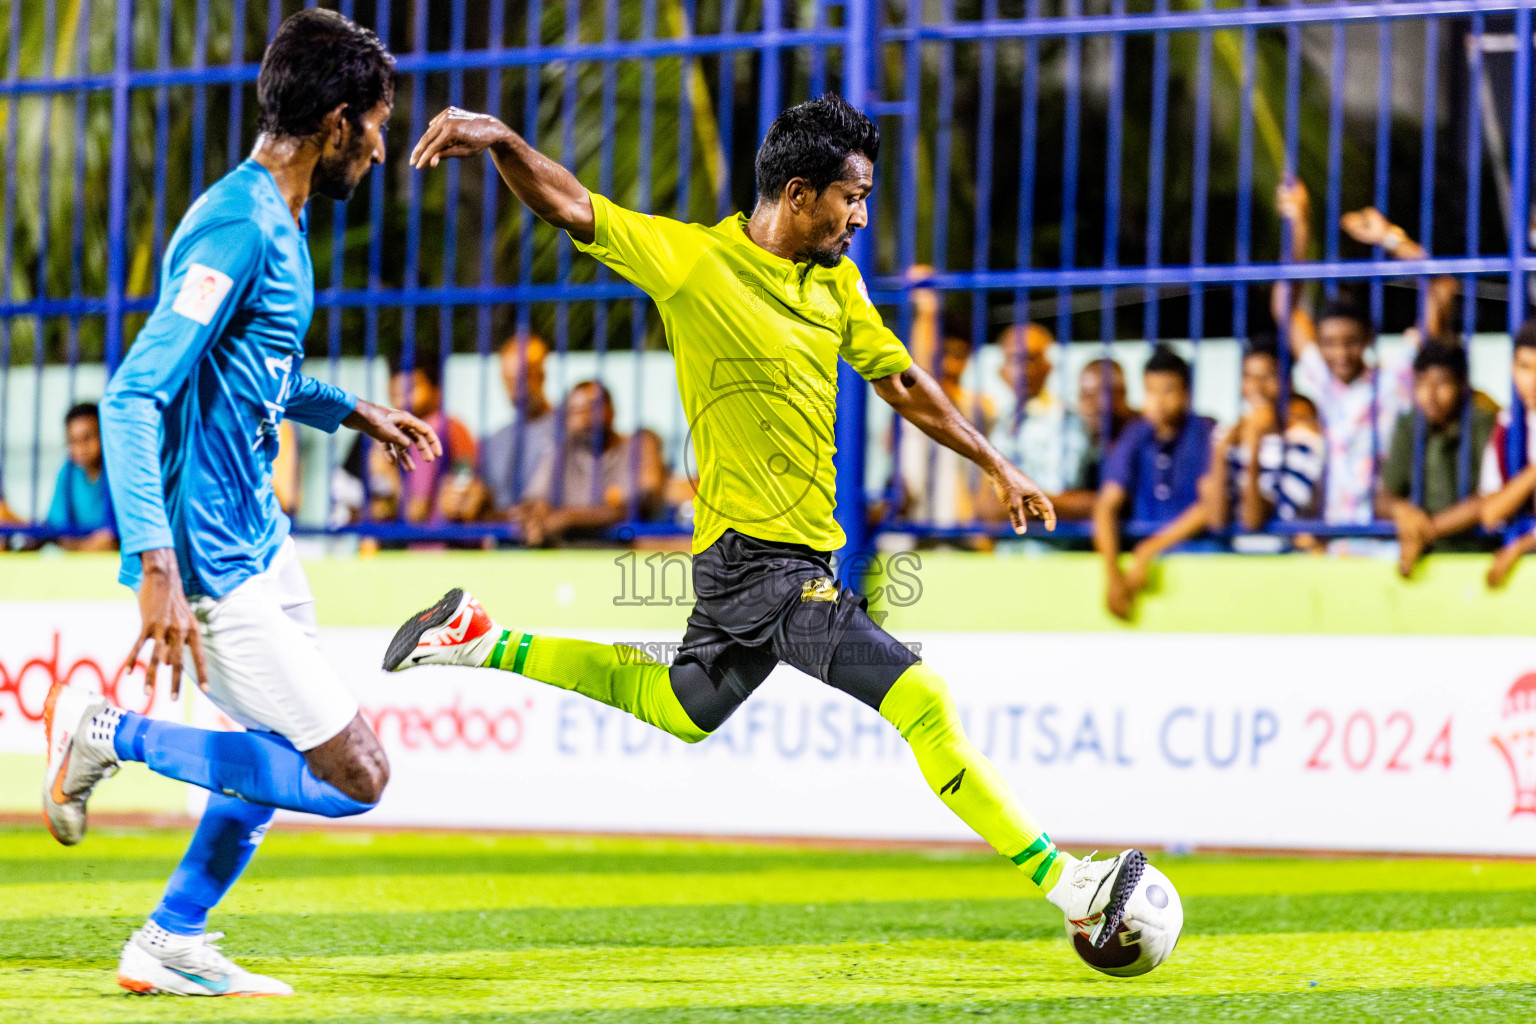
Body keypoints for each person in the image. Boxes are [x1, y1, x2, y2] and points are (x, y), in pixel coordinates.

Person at [390, 94, 1151, 949]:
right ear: (798, 193)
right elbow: (571, 203)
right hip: (760, 563)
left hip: (771, 560)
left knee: (681, 706)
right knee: (922, 698)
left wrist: (995, 462)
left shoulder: (838, 282)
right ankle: (1070, 884)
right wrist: (502, 139)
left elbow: (897, 380)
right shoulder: (691, 261)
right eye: (852, 197)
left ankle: (477, 637)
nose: (862, 217)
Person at [39, 10, 440, 997]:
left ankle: (171, 938)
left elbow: (256, 371)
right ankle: (103, 731)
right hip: (206, 556)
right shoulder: (237, 222)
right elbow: (136, 394)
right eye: (381, 124)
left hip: (258, 540)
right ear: (340, 120)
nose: (384, 147)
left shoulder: (284, 219)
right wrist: (158, 565)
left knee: (270, 750)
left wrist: (352, 410)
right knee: (357, 776)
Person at [1274, 185, 1418, 530]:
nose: (1340, 353)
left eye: (1350, 342)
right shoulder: (1319, 378)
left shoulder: (1393, 377)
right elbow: (1285, 306)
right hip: (1330, 537)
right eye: (1330, 343)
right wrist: (1300, 228)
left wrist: (1390, 238)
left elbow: (1439, 292)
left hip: (1385, 534)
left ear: (1368, 338)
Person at [1093, 346, 1216, 621]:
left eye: (1169, 390)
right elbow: (1106, 506)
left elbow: (1210, 507)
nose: (1158, 401)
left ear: (1187, 392)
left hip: (1201, 561)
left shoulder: (1206, 433)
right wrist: (1113, 576)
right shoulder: (1135, 435)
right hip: (1142, 571)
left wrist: (1150, 549)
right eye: (1150, 390)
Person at [1378, 342, 1496, 578]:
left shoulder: (1485, 425)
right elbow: (1383, 496)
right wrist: (1402, 511)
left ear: (1462, 384)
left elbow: (1489, 500)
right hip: (1427, 558)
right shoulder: (1409, 425)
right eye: (1421, 383)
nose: (1430, 394)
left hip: (1479, 555)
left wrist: (1425, 531)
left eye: (1442, 383)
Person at [513, 379, 666, 546]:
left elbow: (641, 503)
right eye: (576, 411)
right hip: (569, 553)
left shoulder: (640, 445)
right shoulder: (562, 451)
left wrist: (568, 519)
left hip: (628, 551)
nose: (584, 418)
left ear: (612, 411)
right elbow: (536, 500)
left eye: (592, 408)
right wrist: (538, 515)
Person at [895, 276, 993, 528]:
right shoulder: (908, 394)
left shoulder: (979, 406)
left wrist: (929, 311)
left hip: (959, 528)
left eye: (958, 356)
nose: (949, 365)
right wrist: (927, 313)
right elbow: (924, 373)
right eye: (942, 355)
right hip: (911, 525)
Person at [1205, 337, 1325, 533]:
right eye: (1249, 377)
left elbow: (1253, 522)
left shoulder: (1304, 444)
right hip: (1228, 560)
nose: (1257, 387)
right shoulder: (1226, 437)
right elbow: (1216, 521)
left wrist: (1253, 445)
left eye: (1267, 377)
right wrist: (1220, 451)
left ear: (1288, 382)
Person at [979, 322, 1094, 522]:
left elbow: (1065, 497)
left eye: (1031, 358)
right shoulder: (1001, 420)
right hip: (1003, 550)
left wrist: (1008, 505)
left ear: (1049, 366)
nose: (1023, 369)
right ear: (1000, 370)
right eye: (1014, 359)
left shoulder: (1066, 421)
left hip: (1053, 547)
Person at [376, 350, 480, 525]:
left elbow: (418, 510)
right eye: (395, 391)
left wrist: (388, 477)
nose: (403, 398)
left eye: (412, 388)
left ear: (437, 390)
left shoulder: (446, 428)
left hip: (443, 540)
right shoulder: (385, 433)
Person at [1480, 320, 1536, 588]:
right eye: (1525, 367)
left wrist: (1521, 546)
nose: (1532, 380)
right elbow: (1491, 513)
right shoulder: (1508, 427)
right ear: (1513, 368)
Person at [480, 331, 556, 516]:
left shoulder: (569, 430)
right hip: (503, 540)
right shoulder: (494, 441)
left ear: (542, 375)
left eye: (523, 378)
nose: (515, 390)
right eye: (508, 380)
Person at [45, 402, 117, 551]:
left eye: (88, 438)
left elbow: (118, 533)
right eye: (73, 441)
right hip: (78, 556)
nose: (81, 448)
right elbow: (57, 527)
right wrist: (86, 547)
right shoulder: (68, 471)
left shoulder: (116, 471)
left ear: (104, 435)